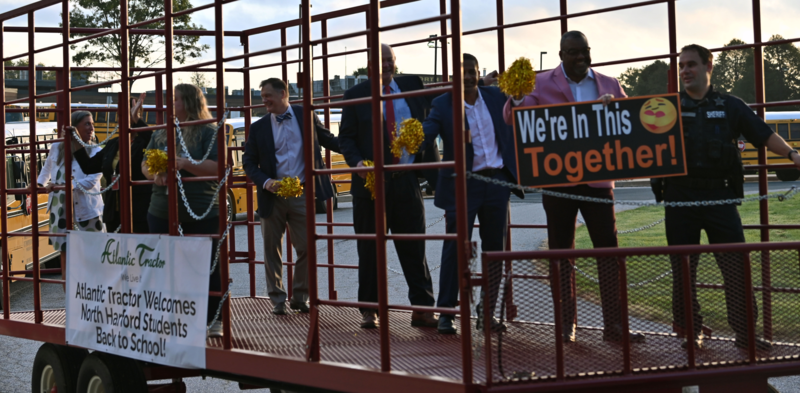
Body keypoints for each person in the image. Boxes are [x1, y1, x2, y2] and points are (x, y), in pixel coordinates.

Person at [652, 44, 800, 350]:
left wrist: (792, 154)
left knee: (736, 267)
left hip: (720, 197)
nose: (685, 71)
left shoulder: (731, 105)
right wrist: (608, 107)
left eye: (691, 64)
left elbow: (763, 134)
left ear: (709, 67)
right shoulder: (666, 107)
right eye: (681, 66)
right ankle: (691, 332)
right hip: (680, 199)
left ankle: (745, 334)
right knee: (683, 269)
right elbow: (629, 128)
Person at [503, 31, 644, 344]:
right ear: (561, 54)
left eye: (585, 52)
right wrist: (515, 96)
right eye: (573, 53)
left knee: (609, 252)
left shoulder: (610, 84)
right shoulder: (541, 82)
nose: (580, 58)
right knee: (560, 254)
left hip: (598, 181)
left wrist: (615, 110)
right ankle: (567, 326)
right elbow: (515, 118)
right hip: (558, 182)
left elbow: (632, 122)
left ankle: (615, 326)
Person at [422, 53, 524, 334]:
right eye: (461, 71)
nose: (467, 76)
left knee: (496, 251)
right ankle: (446, 312)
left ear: (479, 72)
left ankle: (487, 313)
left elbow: (519, 110)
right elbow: (428, 131)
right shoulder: (443, 104)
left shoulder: (494, 96)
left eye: (472, 71)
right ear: (454, 76)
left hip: (497, 183)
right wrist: (414, 138)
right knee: (455, 248)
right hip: (462, 185)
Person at [339, 43, 439, 329]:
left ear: (396, 63)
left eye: (390, 60)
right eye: (380, 61)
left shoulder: (411, 86)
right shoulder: (355, 95)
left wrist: (484, 82)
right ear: (369, 65)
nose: (386, 65)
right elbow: (346, 138)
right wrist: (357, 164)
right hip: (370, 184)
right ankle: (370, 310)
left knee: (414, 247)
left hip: (406, 180)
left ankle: (422, 308)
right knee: (369, 250)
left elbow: (445, 95)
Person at [242, 78, 340, 315]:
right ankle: (277, 299)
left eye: (267, 95)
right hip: (271, 196)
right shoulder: (259, 127)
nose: (263, 100)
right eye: (261, 96)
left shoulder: (305, 115)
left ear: (283, 93)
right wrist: (266, 182)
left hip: (302, 193)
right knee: (271, 249)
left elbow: (328, 139)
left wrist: (362, 150)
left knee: (307, 247)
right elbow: (248, 162)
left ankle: (299, 296)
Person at [140, 83, 224, 338]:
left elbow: (219, 167)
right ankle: (169, 319)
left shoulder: (209, 131)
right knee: (163, 266)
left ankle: (214, 318)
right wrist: (155, 173)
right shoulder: (163, 131)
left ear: (189, 102)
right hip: (162, 209)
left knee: (209, 266)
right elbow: (144, 164)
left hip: (202, 210)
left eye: (174, 99)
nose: (169, 105)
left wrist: (185, 164)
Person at [37, 111, 105, 285]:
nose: (92, 128)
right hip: (60, 209)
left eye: (92, 124)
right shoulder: (57, 147)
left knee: (92, 256)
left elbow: (91, 180)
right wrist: (40, 185)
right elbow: (46, 169)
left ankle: (92, 297)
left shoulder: (96, 151)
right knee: (66, 255)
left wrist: (68, 186)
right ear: (74, 128)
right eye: (87, 124)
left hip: (87, 210)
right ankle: (70, 302)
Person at [69, 93, 153, 233]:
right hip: (114, 212)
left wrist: (136, 119)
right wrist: (76, 138)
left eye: (126, 113)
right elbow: (88, 166)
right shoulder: (114, 144)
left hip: (139, 210)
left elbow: (153, 139)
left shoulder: (145, 142)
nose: (121, 118)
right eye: (120, 114)